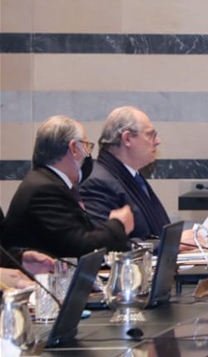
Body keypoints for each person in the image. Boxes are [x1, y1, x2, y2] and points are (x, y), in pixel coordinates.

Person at [1, 115, 134, 258]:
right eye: (86, 146)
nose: (88, 154)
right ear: (74, 148)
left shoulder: (48, 182)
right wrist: (118, 225)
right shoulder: (44, 190)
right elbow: (81, 248)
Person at [81, 106, 173, 240]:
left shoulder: (132, 175)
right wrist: (171, 242)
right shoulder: (97, 183)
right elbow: (108, 244)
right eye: (150, 135)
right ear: (127, 138)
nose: (157, 141)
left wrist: (175, 241)